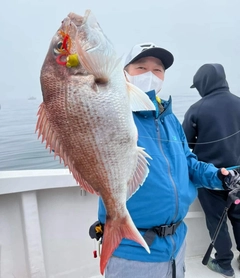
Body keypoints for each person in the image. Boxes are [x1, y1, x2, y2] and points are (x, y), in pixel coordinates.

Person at [95, 44, 240, 278]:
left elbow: (188, 162)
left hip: (175, 244)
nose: (150, 75)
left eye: (157, 70)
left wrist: (217, 176)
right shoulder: (111, 110)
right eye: (141, 68)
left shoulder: (169, 117)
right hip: (134, 250)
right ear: (123, 72)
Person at [182, 63, 240, 278]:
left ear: (202, 84)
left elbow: (184, 144)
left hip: (212, 177)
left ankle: (224, 263)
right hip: (239, 177)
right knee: (239, 216)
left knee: (217, 219)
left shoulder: (197, 109)